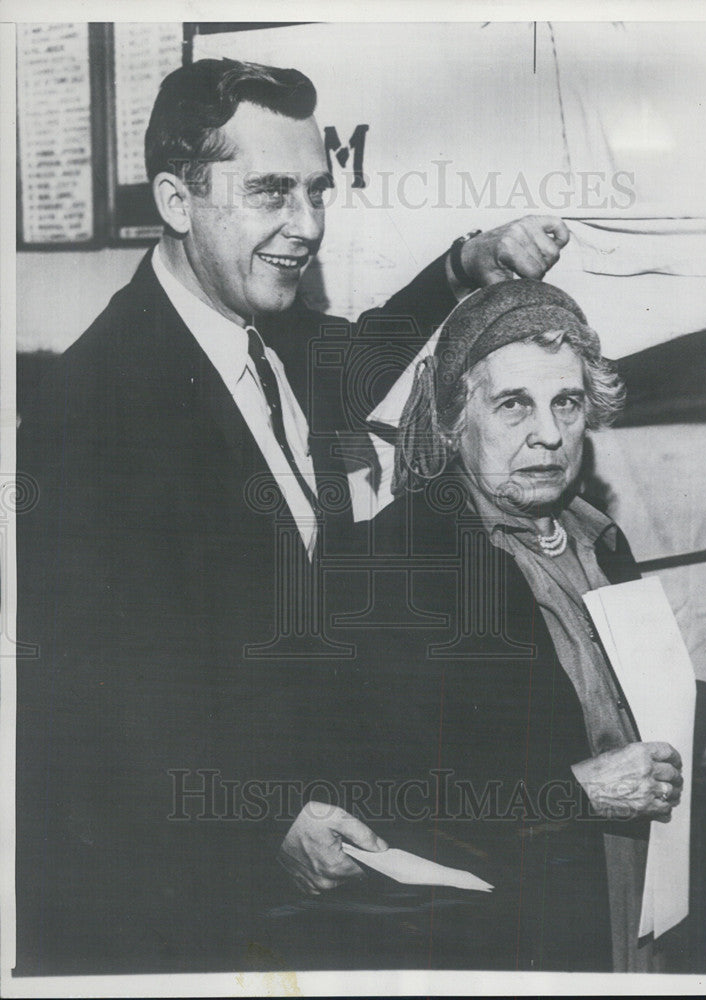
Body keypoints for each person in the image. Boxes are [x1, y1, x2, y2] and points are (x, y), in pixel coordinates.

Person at [15, 58, 569, 975]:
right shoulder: (95, 404)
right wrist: (263, 822)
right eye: (271, 192)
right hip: (190, 887)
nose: (306, 226)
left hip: (329, 833)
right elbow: (88, 698)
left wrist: (472, 263)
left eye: (318, 192)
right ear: (176, 198)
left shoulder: (272, 329)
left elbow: (366, 350)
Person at [278, 279, 706, 971]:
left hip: (628, 898)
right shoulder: (396, 560)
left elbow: (610, 698)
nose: (550, 433)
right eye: (514, 405)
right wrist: (573, 793)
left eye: (566, 402)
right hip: (504, 935)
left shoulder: (595, 538)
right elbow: (384, 788)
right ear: (452, 419)